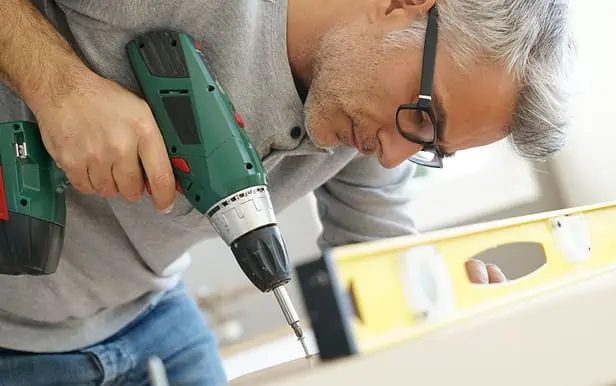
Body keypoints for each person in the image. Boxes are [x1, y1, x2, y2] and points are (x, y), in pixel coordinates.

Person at [0, 0, 574, 384]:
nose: (396, 156)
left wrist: (438, 306)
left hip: (145, 316)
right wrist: (59, 88)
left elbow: (375, 260)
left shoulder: (374, 128)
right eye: (424, 117)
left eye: (433, 149)